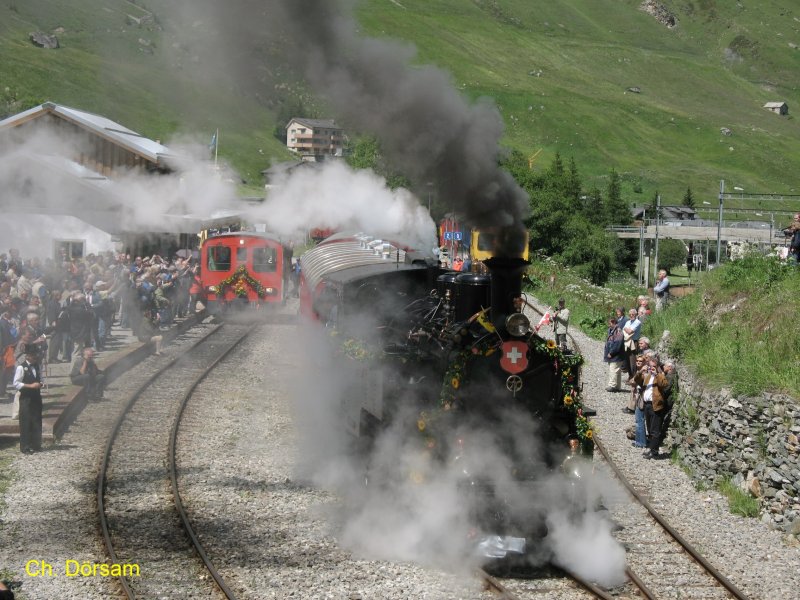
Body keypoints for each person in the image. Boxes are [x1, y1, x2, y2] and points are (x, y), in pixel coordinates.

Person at [633, 353, 669, 459]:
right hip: (647, 405)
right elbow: (637, 380)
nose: (651, 368)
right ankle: (650, 447)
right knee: (649, 428)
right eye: (650, 366)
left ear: (657, 367)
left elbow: (664, 384)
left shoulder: (660, 375)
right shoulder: (648, 376)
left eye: (653, 366)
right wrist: (640, 372)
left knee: (655, 430)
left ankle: (654, 451)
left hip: (656, 406)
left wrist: (656, 373)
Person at [13, 347, 43, 454]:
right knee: (26, 421)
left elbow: (41, 379)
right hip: (26, 398)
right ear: (28, 356)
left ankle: (36, 444)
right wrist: (30, 386)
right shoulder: (21, 368)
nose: (35, 357)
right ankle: (25, 446)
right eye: (33, 355)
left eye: (36, 355)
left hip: (36, 397)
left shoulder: (38, 366)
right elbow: (16, 383)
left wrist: (40, 384)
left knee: (36, 420)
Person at [603, 317, 625, 392]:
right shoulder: (611, 330)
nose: (608, 325)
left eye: (610, 323)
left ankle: (612, 385)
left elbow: (617, 344)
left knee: (613, 370)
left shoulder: (618, 331)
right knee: (617, 371)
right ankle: (618, 386)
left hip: (617, 355)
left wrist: (611, 353)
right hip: (616, 355)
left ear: (614, 323)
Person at [622, 308, 641, 375]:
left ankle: (633, 377)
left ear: (636, 314)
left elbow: (629, 331)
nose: (631, 315)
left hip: (634, 342)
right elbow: (623, 330)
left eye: (633, 314)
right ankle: (630, 376)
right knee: (627, 359)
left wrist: (627, 329)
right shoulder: (628, 322)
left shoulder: (637, 322)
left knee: (632, 360)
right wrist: (627, 330)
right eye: (630, 314)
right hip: (627, 341)